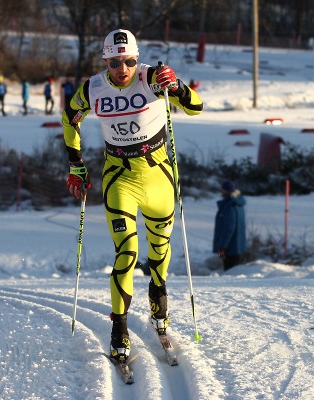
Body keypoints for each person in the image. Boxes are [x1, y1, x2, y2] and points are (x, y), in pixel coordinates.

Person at [62, 28, 203, 363]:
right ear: (105, 61)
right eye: (113, 62)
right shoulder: (93, 87)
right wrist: (75, 164)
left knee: (159, 251)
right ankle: (119, 329)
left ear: (136, 58)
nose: (121, 69)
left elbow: (196, 107)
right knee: (126, 252)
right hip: (119, 177)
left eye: (126, 61)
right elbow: (70, 117)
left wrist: (179, 87)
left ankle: (158, 296)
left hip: (158, 175)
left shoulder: (153, 78)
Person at [212, 180, 247, 271]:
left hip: (229, 248)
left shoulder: (229, 206)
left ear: (226, 191)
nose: (221, 191)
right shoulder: (238, 204)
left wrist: (222, 247)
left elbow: (228, 228)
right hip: (237, 247)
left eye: (222, 189)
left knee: (229, 272)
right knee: (235, 271)